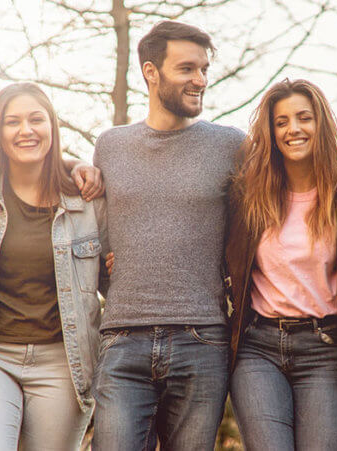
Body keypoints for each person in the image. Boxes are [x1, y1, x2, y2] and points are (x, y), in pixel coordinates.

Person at [90, 21, 246, 450]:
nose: (200, 80)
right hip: (122, 339)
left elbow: (256, 227)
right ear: (150, 72)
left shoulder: (231, 145)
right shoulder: (110, 145)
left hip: (203, 339)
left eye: (204, 69)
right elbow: (96, 229)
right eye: (187, 69)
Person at [0, 82, 109, 450]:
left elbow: (116, 285)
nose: (26, 130)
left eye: (37, 119)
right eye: (12, 122)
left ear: (52, 127)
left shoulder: (86, 200)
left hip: (64, 361)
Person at [224, 78, 337, 450]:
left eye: (304, 118)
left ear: (320, 123)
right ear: (271, 133)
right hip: (257, 348)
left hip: (326, 347)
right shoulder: (248, 194)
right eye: (281, 122)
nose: (294, 129)